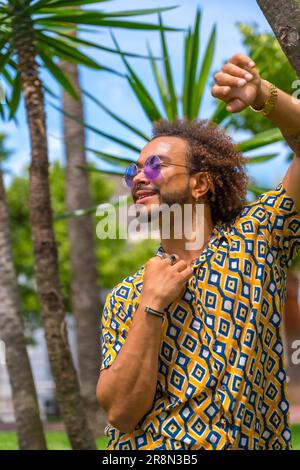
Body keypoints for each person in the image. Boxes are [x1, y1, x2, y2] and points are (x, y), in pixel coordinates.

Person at [96, 53, 300, 450]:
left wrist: (263, 95)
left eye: (155, 166)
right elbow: (120, 413)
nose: (139, 176)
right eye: (133, 170)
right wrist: (151, 305)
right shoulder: (126, 296)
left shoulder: (257, 242)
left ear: (200, 183)